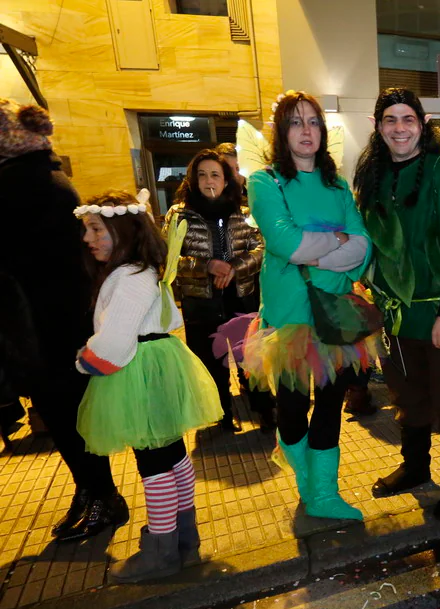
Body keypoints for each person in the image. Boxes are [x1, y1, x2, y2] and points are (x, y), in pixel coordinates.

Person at [75, 189, 222, 582]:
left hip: (137, 370)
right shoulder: (145, 271)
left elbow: (114, 342)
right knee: (172, 457)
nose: (88, 239)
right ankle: (183, 542)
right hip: (157, 365)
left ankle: (161, 551)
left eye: (95, 229)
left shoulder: (128, 277)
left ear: (123, 230)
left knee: (154, 465)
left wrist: (85, 361)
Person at [0, 98, 126, 541]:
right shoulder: (45, 178)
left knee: (69, 417)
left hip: (47, 328)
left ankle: (100, 497)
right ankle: (92, 492)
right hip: (57, 325)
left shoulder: (25, 184)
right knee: (68, 417)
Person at [244, 91, 373, 521]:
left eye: (313, 122)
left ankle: (324, 494)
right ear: (282, 132)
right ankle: (305, 482)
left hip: (334, 312)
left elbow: (363, 247)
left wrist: (313, 252)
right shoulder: (265, 181)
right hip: (289, 318)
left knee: (332, 404)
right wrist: (335, 243)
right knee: (293, 406)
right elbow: (283, 241)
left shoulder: (337, 185)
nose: (305, 130)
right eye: (295, 122)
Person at [353, 88, 440, 523]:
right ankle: (416, 466)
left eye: (408, 119)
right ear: (378, 126)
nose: (399, 128)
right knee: (406, 395)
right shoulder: (372, 174)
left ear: (422, 124)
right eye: (390, 120)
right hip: (391, 313)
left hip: (437, 310)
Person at [165, 150, 271, 433]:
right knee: (211, 361)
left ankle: (265, 410)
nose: (208, 180)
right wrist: (206, 265)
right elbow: (168, 258)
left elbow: (261, 249)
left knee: (249, 357)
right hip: (201, 301)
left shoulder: (244, 212)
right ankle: (221, 412)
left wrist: (234, 267)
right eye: (202, 174)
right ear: (192, 179)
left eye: (215, 174)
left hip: (241, 295)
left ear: (226, 180)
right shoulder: (179, 215)